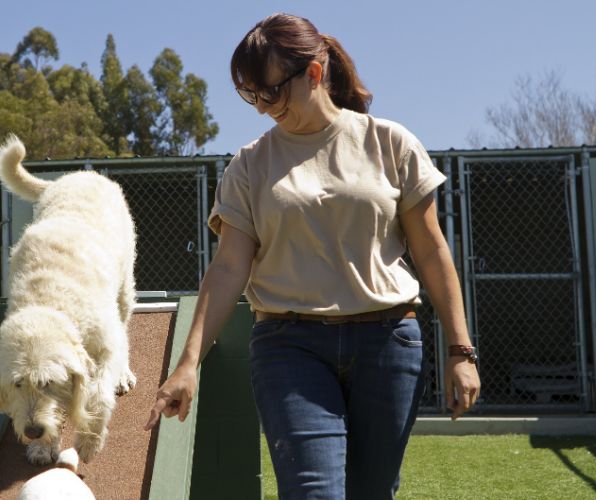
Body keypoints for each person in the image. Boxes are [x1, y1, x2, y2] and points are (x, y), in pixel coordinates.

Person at [145, 12, 481, 500]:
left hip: (388, 344)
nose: (261, 107)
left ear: (315, 74)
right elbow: (229, 267)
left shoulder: (390, 143)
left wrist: (460, 350)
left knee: (373, 492)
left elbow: (431, 251)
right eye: (250, 95)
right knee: (312, 492)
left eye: (271, 92)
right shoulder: (248, 165)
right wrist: (188, 362)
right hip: (288, 346)